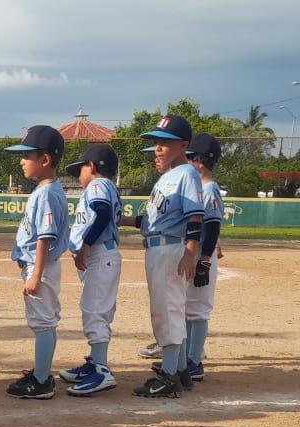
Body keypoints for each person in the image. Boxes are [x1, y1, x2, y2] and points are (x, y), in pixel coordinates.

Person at [122, 115, 204, 398]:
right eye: (156, 142)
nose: (158, 147)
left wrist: (191, 252)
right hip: (158, 246)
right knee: (169, 309)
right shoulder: (168, 177)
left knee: (167, 311)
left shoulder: (187, 174)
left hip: (171, 248)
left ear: (183, 145)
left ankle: (169, 377)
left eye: (165, 142)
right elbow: (154, 219)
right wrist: (124, 221)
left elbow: (195, 215)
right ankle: (180, 370)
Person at [1, 126, 69, 400]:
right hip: (42, 266)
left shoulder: (46, 194)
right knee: (46, 322)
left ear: (45, 160)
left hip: (41, 266)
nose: (21, 161)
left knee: (42, 323)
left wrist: (36, 275)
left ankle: (41, 381)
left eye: (27, 155)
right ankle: (42, 373)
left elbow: (45, 238)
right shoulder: (48, 189)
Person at [58, 143, 122, 396]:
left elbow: (103, 213)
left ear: (93, 166)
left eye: (81, 169)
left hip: (100, 253)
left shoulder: (98, 185)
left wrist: (85, 246)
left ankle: (101, 371)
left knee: (95, 311)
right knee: (95, 309)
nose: (78, 176)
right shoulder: (106, 187)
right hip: (102, 254)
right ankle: (95, 363)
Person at [181, 133, 224, 383]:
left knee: (198, 309)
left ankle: (194, 361)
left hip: (200, 257)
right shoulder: (200, 188)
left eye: (189, 158)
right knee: (188, 307)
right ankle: (186, 357)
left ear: (199, 161)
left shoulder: (209, 189)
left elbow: (213, 227)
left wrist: (205, 261)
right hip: (195, 255)